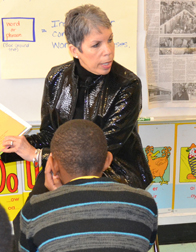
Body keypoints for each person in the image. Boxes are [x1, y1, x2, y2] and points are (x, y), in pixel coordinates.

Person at [2, 4, 152, 250]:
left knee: (75, 230)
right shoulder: (56, 77)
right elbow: (51, 134)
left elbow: (101, 151)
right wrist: (15, 146)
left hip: (114, 171)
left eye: (110, 40)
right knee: (22, 231)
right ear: (74, 50)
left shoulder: (128, 85)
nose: (108, 51)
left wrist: (38, 157)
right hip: (59, 168)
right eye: (97, 44)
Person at [19, 119, 158, 252]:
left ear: (53, 164)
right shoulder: (144, 203)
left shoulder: (35, 210)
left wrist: (58, 197)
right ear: (108, 160)